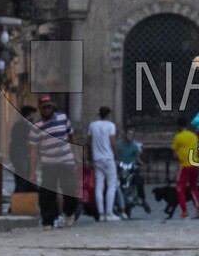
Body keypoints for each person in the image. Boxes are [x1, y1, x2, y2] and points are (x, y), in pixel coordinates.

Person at [30, 95, 79, 228]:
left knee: (69, 188)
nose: (47, 109)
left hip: (65, 160)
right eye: (44, 107)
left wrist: (75, 156)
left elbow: (71, 136)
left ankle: (69, 214)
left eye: (49, 106)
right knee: (47, 193)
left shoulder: (63, 118)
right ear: (40, 108)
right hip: (48, 163)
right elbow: (34, 150)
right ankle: (48, 221)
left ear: (53, 107)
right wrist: (33, 172)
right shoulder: (37, 126)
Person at [88, 106, 121, 221]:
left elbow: (89, 142)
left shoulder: (92, 125)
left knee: (99, 186)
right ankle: (109, 212)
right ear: (108, 115)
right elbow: (112, 142)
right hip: (108, 158)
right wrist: (116, 155)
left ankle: (101, 213)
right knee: (111, 185)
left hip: (97, 158)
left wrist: (90, 157)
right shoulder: (111, 126)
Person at [170, 116, 199, 219]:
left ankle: (184, 211)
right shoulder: (194, 136)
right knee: (193, 188)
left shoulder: (178, 137)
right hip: (195, 164)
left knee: (180, 188)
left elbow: (174, 154)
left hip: (184, 165)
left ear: (178, 126)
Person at [117, 127, 150, 214]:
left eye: (131, 134)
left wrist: (141, 164)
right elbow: (116, 156)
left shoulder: (134, 147)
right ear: (125, 134)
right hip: (121, 168)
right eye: (128, 134)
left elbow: (137, 158)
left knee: (139, 179)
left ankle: (143, 200)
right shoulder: (119, 145)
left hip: (131, 169)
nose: (130, 136)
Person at [9, 105, 37, 192]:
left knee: (20, 181)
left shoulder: (17, 124)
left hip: (17, 156)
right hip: (23, 157)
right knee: (23, 181)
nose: (34, 116)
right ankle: (17, 204)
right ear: (29, 114)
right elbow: (29, 142)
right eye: (33, 114)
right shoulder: (26, 125)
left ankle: (20, 203)